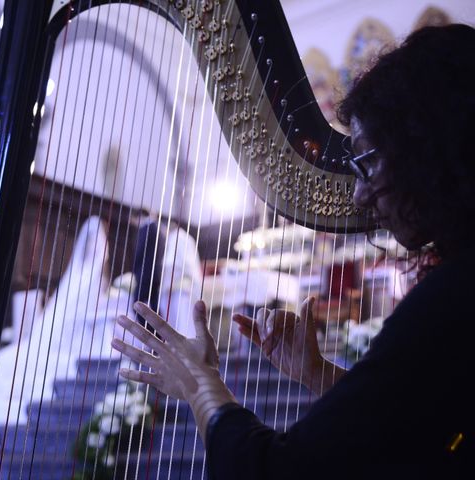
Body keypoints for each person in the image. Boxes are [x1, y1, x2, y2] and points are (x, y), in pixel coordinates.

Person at [111, 24, 475, 478]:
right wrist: (318, 374)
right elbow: (422, 426)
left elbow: (276, 471)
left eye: (366, 161)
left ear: (428, 148)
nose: (359, 197)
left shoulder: (456, 296)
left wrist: (199, 384)